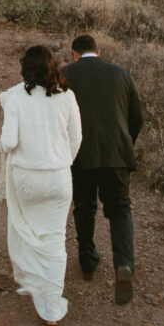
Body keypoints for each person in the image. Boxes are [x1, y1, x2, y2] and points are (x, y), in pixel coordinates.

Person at [0, 45, 82, 326]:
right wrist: (60, 163)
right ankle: (51, 310)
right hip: (58, 176)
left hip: (26, 177)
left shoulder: (15, 97)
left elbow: (9, 142)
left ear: (25, 68)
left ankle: (34, 284)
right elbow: (76, 139)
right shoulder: (67, 97)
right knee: (55, 239)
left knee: (27, 230)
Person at [60, 34, 144, 305]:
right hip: (116, 153)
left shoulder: (64, 74)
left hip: (80, 154)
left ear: (74, 53)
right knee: (120, 208)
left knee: (84, 205)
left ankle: (87, 260)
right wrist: (125, 143)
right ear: (99, 51)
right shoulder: (121, 73)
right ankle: (125, 263)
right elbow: (137, 116)